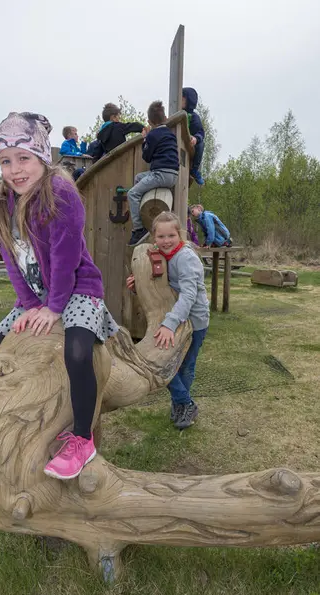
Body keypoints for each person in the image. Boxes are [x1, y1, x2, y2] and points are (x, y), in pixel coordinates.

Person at [0, 111, 119, 480]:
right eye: (5, 161)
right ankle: (38, 400)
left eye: (24, 158)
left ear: (43, 157)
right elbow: (11, 258)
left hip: (76, 287)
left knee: (76, 351)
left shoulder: (60, 193)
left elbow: (66, 260)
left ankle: (82, 437)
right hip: (36, 293)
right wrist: (30, 305)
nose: (15, 169)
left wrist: (54, 308)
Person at [126, 211, 209, 429]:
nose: (166, 241)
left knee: (184, 367)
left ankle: (183, 404)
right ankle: (183, 403)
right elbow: (162, 288)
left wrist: (169, 325)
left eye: (171, 236)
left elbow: (189, 296)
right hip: (175, 317)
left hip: (194, 320)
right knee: (165, 365)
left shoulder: (186, 257)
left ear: (179, 234)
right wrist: (140, 287)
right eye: (161, 237)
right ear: (154, 237)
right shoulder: (165, 256)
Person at [127, 100, 179, 247]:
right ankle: (144, 207)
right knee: (139, 178)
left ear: (150, 121)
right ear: (165, 118)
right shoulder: (170, 133)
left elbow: (146, 156)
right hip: (172, 175)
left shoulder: (153, 135)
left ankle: (139, 229)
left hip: (160, 174)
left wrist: (145, 138)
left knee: (132, 194)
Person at [182, 87, 205, 186]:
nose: (179, 100)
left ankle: (194, 169)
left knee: (201, 144)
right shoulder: (176, 114)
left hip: (190, 146)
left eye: (182, 98)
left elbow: (201, 132)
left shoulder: (193, 117)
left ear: (188, 101)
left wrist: (196, 138)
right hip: (177, 144)